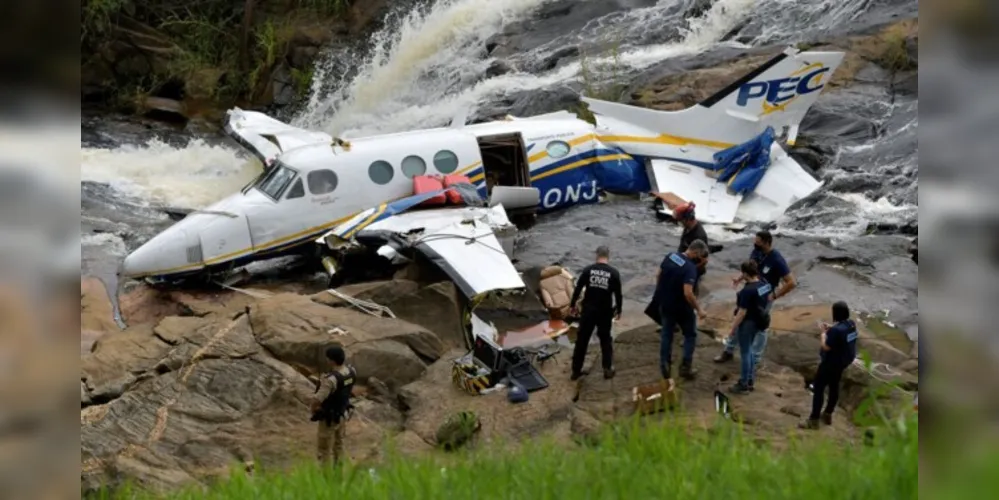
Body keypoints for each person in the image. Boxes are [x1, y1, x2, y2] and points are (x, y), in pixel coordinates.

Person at [714, 230, 797, 368]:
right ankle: (728, 350)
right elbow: (750, 267)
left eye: (758, 243)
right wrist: (740, 278)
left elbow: (791, 282)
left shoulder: (776, 259)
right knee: (740, 319)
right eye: (755, 242)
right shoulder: (756, 252)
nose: (755, 245)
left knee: (761, 328)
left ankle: (756, 359)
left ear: (766, 242)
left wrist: (775, 295)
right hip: (751, 291)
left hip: (764, 297)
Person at [654, 239, 709, 381]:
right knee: (690, 335)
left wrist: (661, 292)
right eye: (700, 255)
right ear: (696, 252)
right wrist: (699, 309)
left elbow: (658, 275)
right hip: (682, 307)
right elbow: (688, 293)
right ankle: (685, 367)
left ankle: (664, 365)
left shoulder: (671, 256)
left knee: (667, 333)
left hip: (665, 303)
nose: (700, 258)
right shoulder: (690, 268)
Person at [800, 301, 858, 429]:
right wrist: (831, 328)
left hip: (829, 364)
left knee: (819, 389)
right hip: (841, 364)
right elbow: (841, 333)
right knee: (834, 387)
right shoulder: (851, 324)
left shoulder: (836, 331)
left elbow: (826, 346)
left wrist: (823, 334)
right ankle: (828, 413)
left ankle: (813, 420)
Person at [569, 245, 623, 380]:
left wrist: (572, 305)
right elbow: (618, 295)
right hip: (605, 312)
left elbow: (578, 288)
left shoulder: (588, 270)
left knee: (582, 340)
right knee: (605, 340)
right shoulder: (614, 273)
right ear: (608, 256)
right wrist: (619, 310)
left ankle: (576, 371)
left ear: (596, 255)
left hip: (588, 310)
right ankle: (607, 369)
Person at [727, 260, 770, 394]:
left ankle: (744, 383)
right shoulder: (764, 284)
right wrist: (739, 280)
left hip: (748, 322)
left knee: (745, 352)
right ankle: (750, 379)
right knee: (750, 350)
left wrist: (733, 328)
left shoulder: (747, 291)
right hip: (759, 320)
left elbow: (742, 312)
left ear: (745, 273)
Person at [310, 345, 356, 465]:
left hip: (328, 418)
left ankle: (325, 478)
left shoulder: (331, 379)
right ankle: (338, 474)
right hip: (342, 414)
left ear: (331, 360)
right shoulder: (351, 372)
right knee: (339, 446)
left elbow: (317, 399)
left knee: (324, 450)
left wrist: (314, 409)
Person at [675, 202, 709, 295]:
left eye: (681, 221)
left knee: (689, 293)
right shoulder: (687, 228)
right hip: (683, 265)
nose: (680, 223)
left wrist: (689, 270)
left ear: (688, 219)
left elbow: (703, 261)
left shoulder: (699, 236)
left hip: (693, 270)